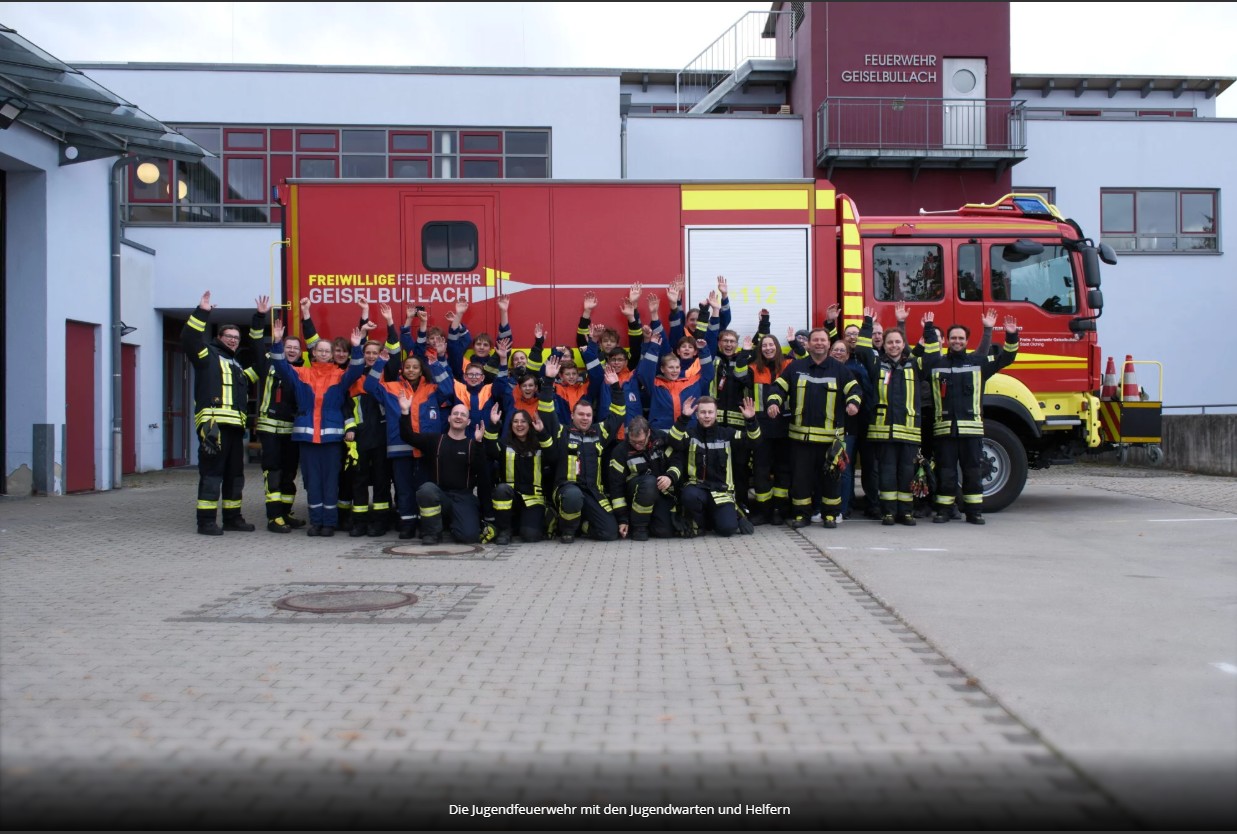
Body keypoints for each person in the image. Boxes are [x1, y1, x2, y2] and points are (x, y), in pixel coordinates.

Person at [269, 317, 366, 536]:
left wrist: (357, 347)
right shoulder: (303, 373)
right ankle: (316, 522)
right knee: (312, 482)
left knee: (330, 481)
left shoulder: (340, 375)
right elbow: (280, 366)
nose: (323, 354)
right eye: (319, 351)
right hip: (306, 437)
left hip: (331, 439)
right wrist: (277, 342)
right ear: (313, 354)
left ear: (332, 355)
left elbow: (357, 370)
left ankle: (329, 523)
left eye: (327, 351)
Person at [181, 290, 267, 536]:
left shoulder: (238, 365)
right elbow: (188, 339)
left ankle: (232, 518)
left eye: (236, 337)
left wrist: (259, 320)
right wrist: (202, 312)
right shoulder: (206, 355)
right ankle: (206, 521)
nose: (233, 340)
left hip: (234, 429)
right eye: (229, 336)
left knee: (234, 476)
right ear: (219, 337)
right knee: (212, 474)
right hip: (213, 427)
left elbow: (260, 367)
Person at [927, 310, 1019, 525]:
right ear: (947, 341)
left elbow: (1007, 358)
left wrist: (1011, 336)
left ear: (966, 341)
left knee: (972, 471)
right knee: (946, 473)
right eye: (953, 338)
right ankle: (944, 510)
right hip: (945, 430)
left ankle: (974, 512)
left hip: (972, 431)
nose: (956, 341)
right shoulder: (937, 365)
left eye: (960, 338)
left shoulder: (978, 363)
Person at [765, 327, 861, 529]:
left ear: (828, 344)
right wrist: (773, 403)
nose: (819, 343)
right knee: (801, 479)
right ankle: (802, 515)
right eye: (815, 340)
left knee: (831, 480)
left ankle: (830, 515)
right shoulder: (795, 367)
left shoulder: (840, 369)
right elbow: (778, 387)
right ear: (807, 344)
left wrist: (854, 403)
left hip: (830, 441)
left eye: (823, 340)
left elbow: (854, 389)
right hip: (801, 439)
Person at [856, 303, 938, 526]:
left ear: (904, 345)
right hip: (883, 432)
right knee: (887, 474)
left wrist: (928, 329)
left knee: (907, 474)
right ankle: (889, 513)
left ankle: (907, 512)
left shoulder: (915, 365)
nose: (893, 345)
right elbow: (862, 350)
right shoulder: (876, 364)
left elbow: (933, 356)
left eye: (897, 342)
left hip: (909, 431)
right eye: (890, 342)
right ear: (885, 344)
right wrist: (867, 325)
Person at [364, 349, 456, 539]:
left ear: (421, 370)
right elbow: (369, 386)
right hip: (400, 448)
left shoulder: (431, 389)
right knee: (404, 489)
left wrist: (436, 365)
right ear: (402, 370)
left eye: (416, 367)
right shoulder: (390, 388)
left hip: (426, 451)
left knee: (425, 490)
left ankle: (426, 525)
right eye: (408, 367)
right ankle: (407, 524)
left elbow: (448, 390)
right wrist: (380, 362)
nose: (412, 370)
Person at [541, 355, 626, 543]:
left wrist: (615, 387)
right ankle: (567, 529)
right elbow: (546, 411)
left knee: (610, 533)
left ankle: (583, 525)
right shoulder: (562, 431)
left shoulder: (600, 431)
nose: (585, 418)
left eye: (588, 415)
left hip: (592, 491)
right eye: (581, 414)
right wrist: (548, 381)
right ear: (572, 415)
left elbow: (618, 414)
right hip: (567, 488)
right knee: (572, 496)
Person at [667, 395, 760, 538]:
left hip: (721, 492)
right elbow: (673, 440)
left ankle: (736, 514)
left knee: (727, 529)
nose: (707, 416)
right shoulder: (690, 434)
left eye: (710, 412)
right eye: (703, 412)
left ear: (716, 414)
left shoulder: (727, 434)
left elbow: (754, 442)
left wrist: (751, 421)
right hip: (697, 489)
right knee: (689, 496)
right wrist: (683, 418)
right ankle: (701, 522)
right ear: (697, 414)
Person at [398, 400, 489, 546]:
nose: (458, 417)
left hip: (463, 497)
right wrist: (405, 412)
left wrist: (479, 443)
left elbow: (481, 470)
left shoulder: (473, 444)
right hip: (440, 495)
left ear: (468, 421)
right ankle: (432, 533)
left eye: (463, 415)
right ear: (449, 418)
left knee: (469, 537)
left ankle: (453, 524)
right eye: (455, 414)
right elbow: (407, 436)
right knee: (426, 490)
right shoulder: (435, 440)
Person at [253, 299, 307, 533]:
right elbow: (255, 343)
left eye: (296, 347)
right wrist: (260, 318)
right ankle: (274, 517)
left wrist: (306, 315)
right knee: (273, 472)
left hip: (291, 429)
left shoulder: (302, 370)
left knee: (289, 474)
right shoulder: (269, 364)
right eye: (288, 347)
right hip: (271, 428)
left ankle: (286, 513)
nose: (292, 350)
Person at [483, 396, 556, 545]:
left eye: (523, 421)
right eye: (515, 422)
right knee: (501, 490)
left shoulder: (539, 445)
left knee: (530, 536)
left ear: (529, 424)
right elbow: (490, 450)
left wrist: (542, 432)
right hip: (511, 496)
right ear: (511, 425)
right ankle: (504, 531)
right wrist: (493, 424)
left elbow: (553, 456)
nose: (519, 425)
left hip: (533, 499)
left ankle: (546, 516)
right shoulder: (505, 444)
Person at [607, 415, 683, 541]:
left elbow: (677, 461)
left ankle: (648, 522)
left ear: (648, 433)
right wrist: (622, 519)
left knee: (664, 531)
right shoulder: (620, 452)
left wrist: (670, 477)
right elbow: (616, 488)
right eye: (633, 442)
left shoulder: (661, 440)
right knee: (649, 482)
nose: (637, 446)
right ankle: (639, 527)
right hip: (634, 494)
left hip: (659, 493)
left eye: (641, 442)